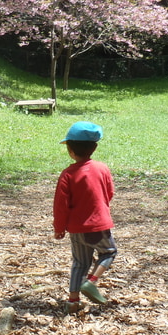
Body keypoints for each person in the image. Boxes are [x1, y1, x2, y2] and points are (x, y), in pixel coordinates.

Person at [53, 121, 118, 314]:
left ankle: (72, 302)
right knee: (108, 253)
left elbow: (60, 205)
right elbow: (109, 193)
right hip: (98, 225)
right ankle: (92, 282)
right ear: (94, 147)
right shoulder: (102, 168)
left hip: (76, 228)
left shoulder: (67, 174)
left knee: (80, 263)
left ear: (71, 150)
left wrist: (59, 227)